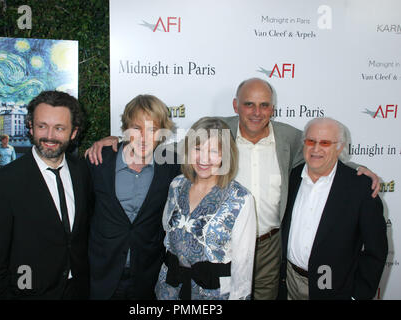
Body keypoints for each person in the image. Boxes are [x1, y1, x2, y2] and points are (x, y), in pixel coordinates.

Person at [85, 77, 380, 300]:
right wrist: (117, 140)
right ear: (236, 105)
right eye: (249, 104)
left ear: (272, 108)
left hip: (268, 244)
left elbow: (320, 154)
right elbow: (164, 146)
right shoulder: (201, 150)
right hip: (175, 278)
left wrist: (356, 170)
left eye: (264, 105)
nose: (256, 111)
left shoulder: (290, 137)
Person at [0, 90, 92, 299]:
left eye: (59, 128)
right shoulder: (4, 182)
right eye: (42, 126)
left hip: (79, 292)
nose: (49, 136)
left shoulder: (83, 172)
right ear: (31, 127)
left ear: (74, 132)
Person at [278, 117, 387, 300]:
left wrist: (357, 296)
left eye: (326, 143)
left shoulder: (361, 188)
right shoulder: (293, 176)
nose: (316, 148)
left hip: (332, 287)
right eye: (311, 141)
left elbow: (375, 251)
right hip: (289, 282)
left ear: (340, 147)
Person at [88, 94, 180, 300]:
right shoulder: (98, 161)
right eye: (137, 128)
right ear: (125, 128)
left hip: (148, 275)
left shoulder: (172, 166)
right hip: (101, 274)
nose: (144, 137)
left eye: (153, 130)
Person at [155, 117, 256, 300]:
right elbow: (167, 234)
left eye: (213, 151)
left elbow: (244, 265)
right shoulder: (177, 185)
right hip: (170, 288)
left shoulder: (241, 199)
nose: (203, 158)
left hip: (213, 294)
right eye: (198, 148)